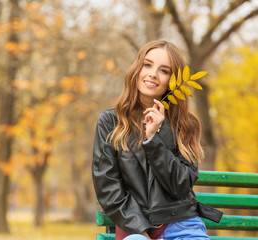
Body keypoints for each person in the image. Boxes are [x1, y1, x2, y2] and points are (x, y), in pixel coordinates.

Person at [92, 40, 222, 240]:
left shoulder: (186, 125)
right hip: (135, 228)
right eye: (147, 65)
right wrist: (141, 230)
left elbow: (180, 186)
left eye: (164, 70)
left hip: (182, 225)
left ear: (173, 80)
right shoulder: (111, 122)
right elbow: (108, 187)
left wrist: (153, 139)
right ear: (137, 69)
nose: (153, 73)